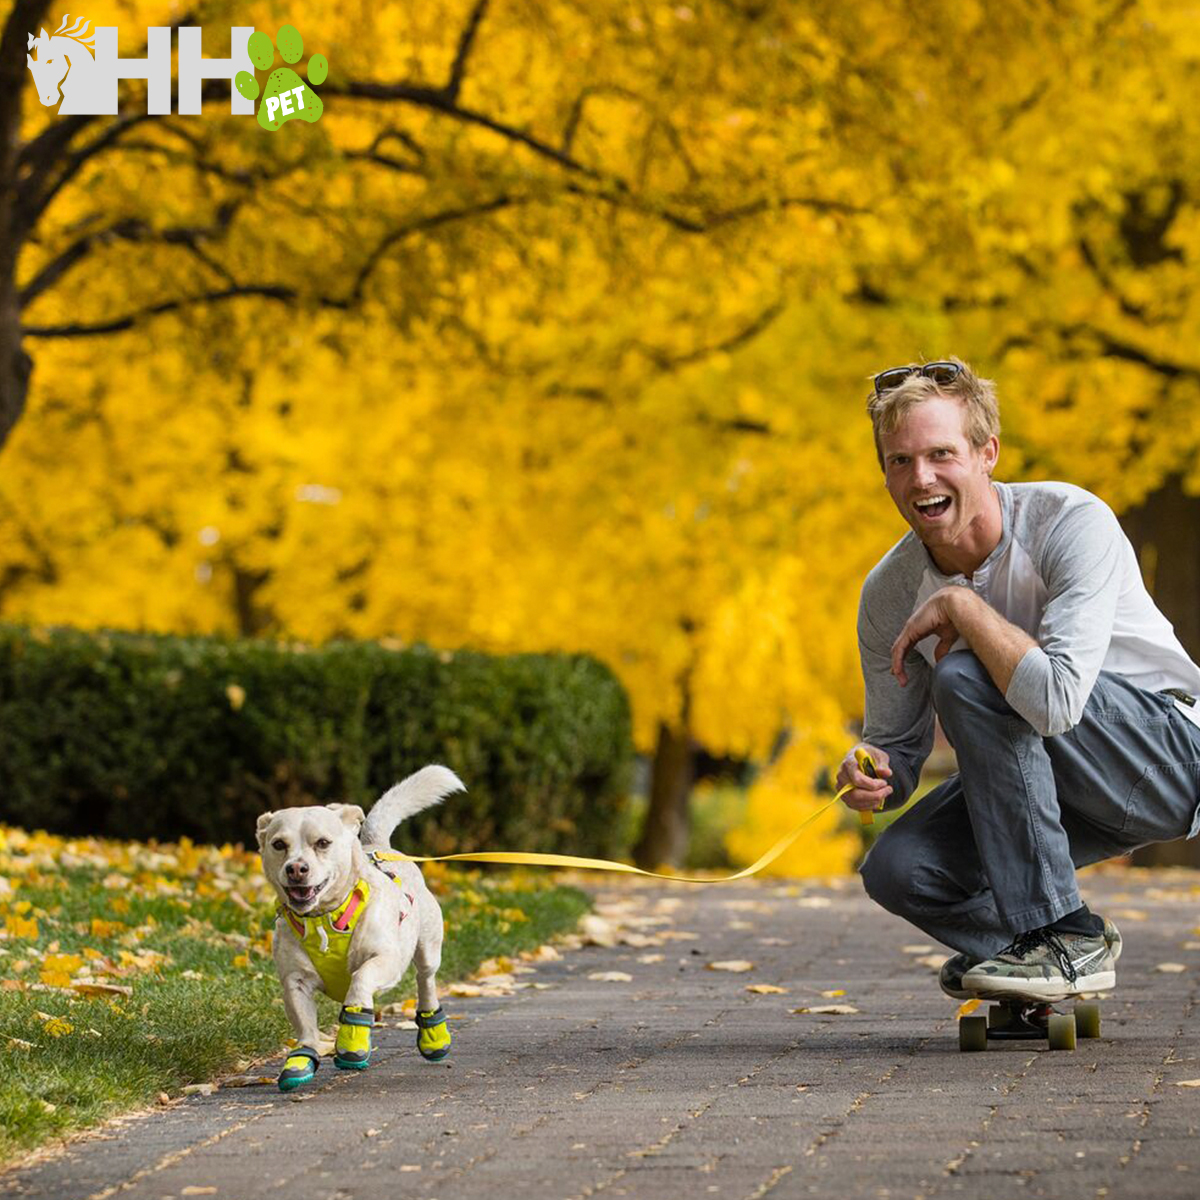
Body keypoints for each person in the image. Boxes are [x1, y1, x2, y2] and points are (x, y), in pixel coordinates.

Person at [836, 358, 1200, 1002]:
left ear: (987, 453)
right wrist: (870, 773)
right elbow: (897, 750)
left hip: (1168, 758)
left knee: (970, 669)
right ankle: (1046, 948)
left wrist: (964, 608)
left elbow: (1057, 702)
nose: (920, 478)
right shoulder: (887, 592)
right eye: (899, 461)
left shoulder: (1069, 521)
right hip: (1037, 789)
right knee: (900, 869)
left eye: (941, 453)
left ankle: (1057, 937)